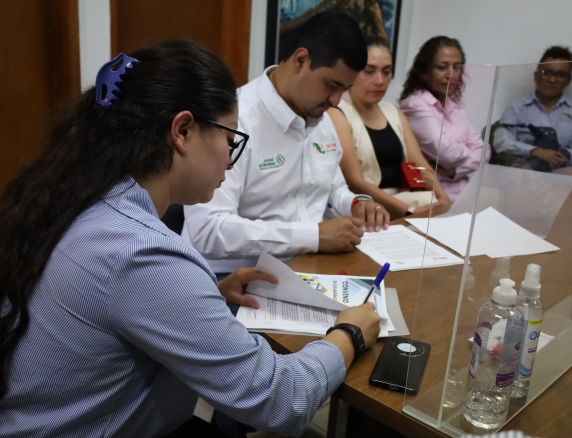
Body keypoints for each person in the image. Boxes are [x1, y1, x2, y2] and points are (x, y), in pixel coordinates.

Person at [0, 41, 381, 438]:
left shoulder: (75, 197)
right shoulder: (142, 254)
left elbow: (110, 303)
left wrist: (208, 296)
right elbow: (282, 401)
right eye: (230, 139)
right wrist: (349, 333)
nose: (230, 159)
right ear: (182, 131)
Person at [183, 12, 390, 275]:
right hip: (230, 276)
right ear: (301, 60)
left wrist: (354, 204)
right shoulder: (236, 120)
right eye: (332, 85)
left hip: (306, 266)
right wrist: (313, 236)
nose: (336, 100)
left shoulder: (322, 119)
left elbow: (331, 189)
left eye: (345, 89)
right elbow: (208, 229)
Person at [327, 36, 451, 219]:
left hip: (405, 199)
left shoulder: (393, 111)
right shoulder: (336, 112)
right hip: (365, 206)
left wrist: (442, 198)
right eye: (369, 71)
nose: (380, 80)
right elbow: (355, 182)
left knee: (437, 206)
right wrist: (410, 211)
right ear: (351, 72)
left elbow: (420, 165)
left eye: (386, 72)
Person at [399, 36, 490, 200]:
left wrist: (456, 170)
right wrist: (468, 152)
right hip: (432, 196)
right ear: (424, 72)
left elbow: (485, 151)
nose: (451, 75)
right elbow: (448, 154)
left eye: (457, 67)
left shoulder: (455, 105)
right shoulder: (415, 105)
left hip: (463, 190)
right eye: (442, 67)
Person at [493, 45, 572, 172]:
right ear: (536, 75)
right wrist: (535, 151)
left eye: (560, 74)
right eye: (546, 73)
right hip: (524, 173)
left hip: (564, 173)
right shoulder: (516, 109)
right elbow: (501, 141)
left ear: (568, 80)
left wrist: (567, 155)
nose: (552, 79)